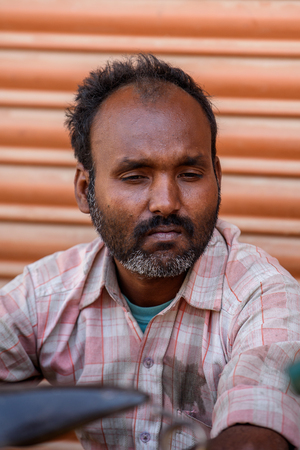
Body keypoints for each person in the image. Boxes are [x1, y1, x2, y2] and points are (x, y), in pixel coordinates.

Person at [0, 54, 299, 450]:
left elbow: (257, 431)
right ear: (85, 191)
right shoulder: (48, 293)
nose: (166, 202)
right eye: (135, 176)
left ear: (217, 177)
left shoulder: (263, 295)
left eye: (190, 174)